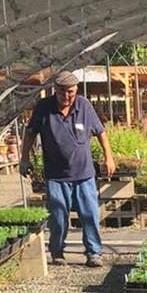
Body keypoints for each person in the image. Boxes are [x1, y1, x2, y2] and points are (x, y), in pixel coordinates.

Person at [19, 69, 115, 267]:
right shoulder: (44, 107)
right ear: (55, 90)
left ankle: (93, 253)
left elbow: (101, 132)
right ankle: (57, 252)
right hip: (56, 174)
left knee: (89, 214)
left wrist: (109, 157)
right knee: (58, 216)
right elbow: (30, 133)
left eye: (71, 92)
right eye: (62, 92)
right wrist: (24, 159)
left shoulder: (84, 106)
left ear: (76, 90)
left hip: (84, 173)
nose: (67, 96)